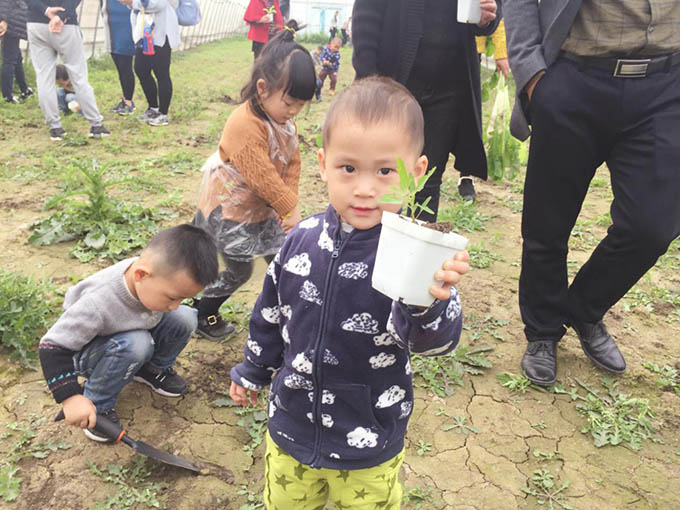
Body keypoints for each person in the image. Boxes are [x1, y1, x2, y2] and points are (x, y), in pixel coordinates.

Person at [229, 77, 470, 509]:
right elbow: (270, 313)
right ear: (323, 164)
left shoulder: (416, 256)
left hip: (369, 440)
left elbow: (435, 343)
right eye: (348, 168)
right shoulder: (299, 240)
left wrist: (430, 301)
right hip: (291, 428)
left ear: (416, 173)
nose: (364, 188)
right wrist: (253, 368)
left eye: (385, 171)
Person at [504, 1, 680, 386]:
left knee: (652, 227)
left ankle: (583, 309)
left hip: (666, 86)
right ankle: (543, 330)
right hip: (575, 78)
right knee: (547, 225)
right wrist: (532, 74)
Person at [39, 225, 218, 442]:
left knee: (185, 317)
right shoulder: (96, 303)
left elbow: (174, 309)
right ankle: (98, 403)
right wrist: (70, 398)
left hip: (130, 331)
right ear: (141, 275)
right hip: (90, 352)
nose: (174, 305)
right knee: (136, 344)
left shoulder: (153, 278)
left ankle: (150, 370)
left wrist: (175, 304)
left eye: (182, 298)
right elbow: (52, 347)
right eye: (172, 298)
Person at [192, 26, 316, 341]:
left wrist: (289, 202)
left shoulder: (283, 119)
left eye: (301, 105)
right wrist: (288, 206)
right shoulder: (244, 124)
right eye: (290, 102)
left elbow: (292, 162)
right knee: (239, 270)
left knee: (284, 258)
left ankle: (288, 318)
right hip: (230, 209)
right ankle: (203, 313)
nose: (294, 111)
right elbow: (262, 177)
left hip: (262, 206)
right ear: (263, 88)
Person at [352, 0, 500, 214]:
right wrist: (368, 81)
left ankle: (417, 234)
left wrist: (485, 18)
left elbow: (490, 10)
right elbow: (367, 14)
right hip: (392, 82)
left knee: (428, 179)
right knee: (379, 170)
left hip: (448, 86)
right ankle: (369, 234)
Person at [25, 0, 110, 141]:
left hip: (36, 23)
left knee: (44, 77)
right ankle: (96, 125)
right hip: (66, 25)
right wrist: (61, 16)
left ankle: (55, 128)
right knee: (78, 75)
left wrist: (46, 10)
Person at [122, 0, 179, 126]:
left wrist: (132, 2)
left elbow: (157, 4)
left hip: (161, 34)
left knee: (161, 73)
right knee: (141, 69)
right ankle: (153, 107)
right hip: (144, 35)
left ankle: (163, 113)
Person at [101, 0, 136, 115]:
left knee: (125, 65)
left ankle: (129, 102)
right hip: (111, 27)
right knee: (120, 66)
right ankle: (126, 99)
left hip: (125, 26)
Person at [0, 0, 34, 103]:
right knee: (10, 60)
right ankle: (7, 96)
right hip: (10, 23)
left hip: (13, 22)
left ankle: (24, 90)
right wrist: (4, 20)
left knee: (15, 58)